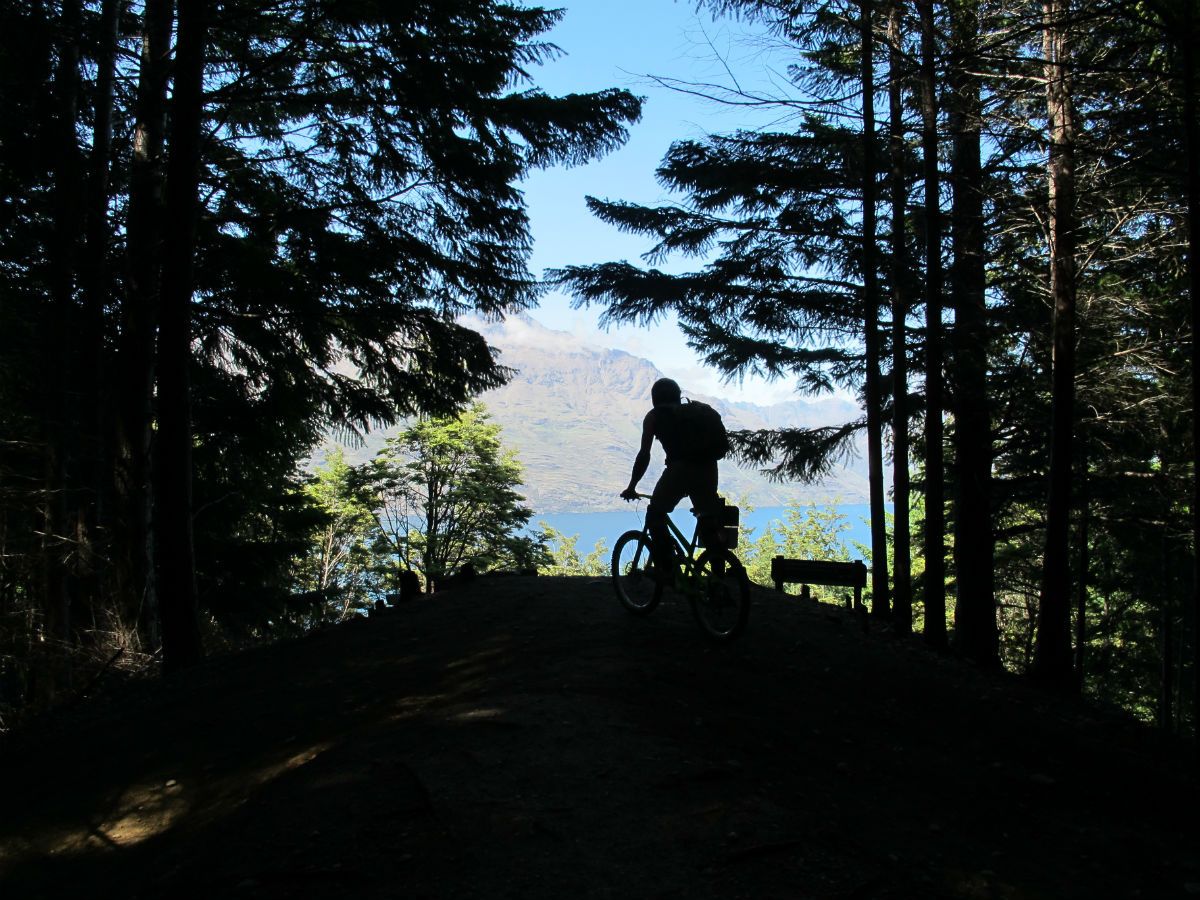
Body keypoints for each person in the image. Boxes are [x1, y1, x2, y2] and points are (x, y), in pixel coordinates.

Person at [621, 377, 724, 587]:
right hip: (708, 469)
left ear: (654, 398)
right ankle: (719, 579)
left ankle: (667, 569)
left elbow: (644, 454)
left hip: (680, 469)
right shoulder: (694, 413)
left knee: (655, 513)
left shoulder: (654, 417)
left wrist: (632, 486)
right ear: (678, 395)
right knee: (707, 519)